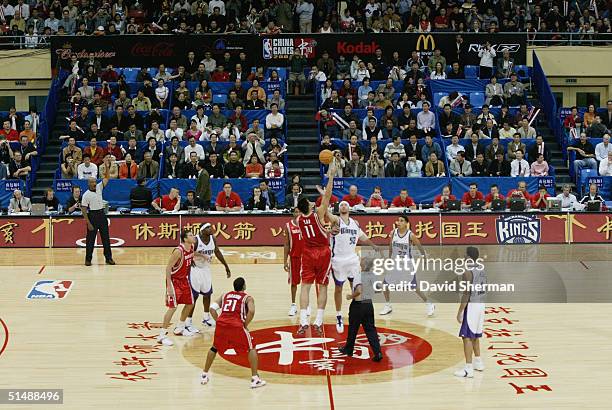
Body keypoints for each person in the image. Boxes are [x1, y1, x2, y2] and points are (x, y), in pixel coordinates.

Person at [295, 161, 338, 336]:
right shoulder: (319, 213)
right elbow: (328, 196)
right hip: (323, 252)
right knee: (323, 286)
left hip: (307, 253)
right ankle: (319, 321)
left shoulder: (298, 220)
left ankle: (304, 320)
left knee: (305, 287)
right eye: (311, 202)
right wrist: (331, 176)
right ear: (310, 206)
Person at [200, 277, 266, 389]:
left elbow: (212, 308)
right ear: (244, 286)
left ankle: (204, 375)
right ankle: (255, 379)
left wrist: (219, 321)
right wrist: (245, 324)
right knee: (251, 348)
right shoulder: (247, 298)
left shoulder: (225, 295)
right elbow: (252, 311)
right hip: (236, 325)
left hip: (222, 325)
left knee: (214, 348)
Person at [330, 201, 378, 333]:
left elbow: (363, 237)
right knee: (338, 288)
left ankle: (359, 315)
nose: (344, 206)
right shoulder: (336, 221)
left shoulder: (355, 223)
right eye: (341, 205)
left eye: (345, 205)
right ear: (339, 209)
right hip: (338, 260)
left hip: (352, 259)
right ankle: (339, 315)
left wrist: (374, 245)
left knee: (357, 288)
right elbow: (326, 214)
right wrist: (325, 197)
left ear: (349, 208)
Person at [380, 214, 435, 317]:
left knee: (413, 286)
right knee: (385, 284)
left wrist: (425, 258)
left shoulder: (411, 235)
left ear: (406, 223)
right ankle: (388, 305)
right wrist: (389, 258)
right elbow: (391, 246)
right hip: (395, 262)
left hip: (407, 264)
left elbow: (420, 247)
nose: (399, 222)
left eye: (401, 221)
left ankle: (429, 304)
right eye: (398, 221)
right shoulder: (393, 233)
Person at [185, 223, 232, 332]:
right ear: (202, 231)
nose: (211, 228)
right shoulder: (196, 240)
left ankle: (206, 318)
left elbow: (217, 251)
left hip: (205, 269)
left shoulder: (213, 239)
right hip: (195, 269)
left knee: (207, 294)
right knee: (194, 296)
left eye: (211, 226)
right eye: (207, 227)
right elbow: (187, 252)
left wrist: (226, 266)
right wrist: (190, 262)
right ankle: (188, 322)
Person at [338, 256, 383, 362]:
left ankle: (348, 349)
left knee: (353, 328)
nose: (360, 261)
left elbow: (359, 290)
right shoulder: (374, 275)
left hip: (358, 305)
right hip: (368, 305)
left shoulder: (359, 275)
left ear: (363, 265)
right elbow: (379, 289)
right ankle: (378, 352)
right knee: (371, 330)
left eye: (362, 260)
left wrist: (351, 296)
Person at [157, 229, 197, 346]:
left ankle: (180, 328)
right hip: (174, 281)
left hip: (184, 280)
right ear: (185, 239)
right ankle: (162, 335)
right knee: (173, 307)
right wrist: (169, 286)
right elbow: (168, 268)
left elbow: (189, 262)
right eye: (190, 235)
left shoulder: (192, 247)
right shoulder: (178, 251)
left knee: (190, 303)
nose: (193, 236)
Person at [454, 247, 486, 378]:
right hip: (481, 304)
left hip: (472, 305)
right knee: (475, 335)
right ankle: (478, 362)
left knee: (466, 336)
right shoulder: (482, 269)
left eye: (464, 255)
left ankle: (468, 369)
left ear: (467, 257)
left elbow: (466, 293)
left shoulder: (467, 272)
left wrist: (460, 310)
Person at [81, 163, 114, 266]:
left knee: (106, 238)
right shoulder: (86, 195)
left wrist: (106, 166)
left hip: (102, 214)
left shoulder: (100, 187)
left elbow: (107, 177)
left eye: (95, 181)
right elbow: (83, 209)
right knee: (90, 240)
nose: (94, 183)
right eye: (92, 182)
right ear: (88, 184)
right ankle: (88, 259)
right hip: (92, 216)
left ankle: (108, 258)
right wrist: (88, 222)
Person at [284, 207, 304, 317]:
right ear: (293, 213)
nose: (298, 213)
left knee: (306, 283)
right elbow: (286, 244)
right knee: (294, 283)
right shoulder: (288, 226)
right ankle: (293, 305)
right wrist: (284, 261)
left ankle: (306, 306)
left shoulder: (306, 225)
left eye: (299, 211)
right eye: (296, 211)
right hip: (294, 258)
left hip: (306, 258)